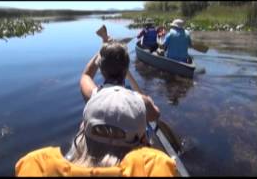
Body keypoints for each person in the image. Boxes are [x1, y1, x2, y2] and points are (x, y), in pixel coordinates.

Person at [15, 41, 177, 177]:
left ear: (102, 70)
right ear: (126, 70)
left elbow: (85, 76)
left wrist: (100, 51)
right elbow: (156, 115)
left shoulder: (94, 96)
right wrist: (147, 103)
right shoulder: (141, 101)